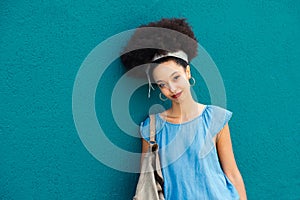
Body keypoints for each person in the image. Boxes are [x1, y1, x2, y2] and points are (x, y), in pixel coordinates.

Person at [121, 18, 247, 200]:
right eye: (162, 84)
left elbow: (232, 173)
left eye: (175, 77)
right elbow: (147, 183)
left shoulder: (215, 118)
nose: (172, 89)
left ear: (187, 72)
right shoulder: (152, 129)